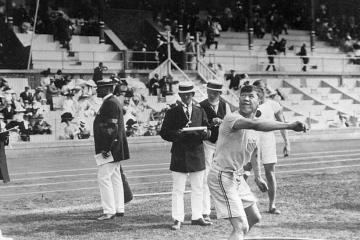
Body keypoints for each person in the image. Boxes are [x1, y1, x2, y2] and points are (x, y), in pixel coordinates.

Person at [207, 85, 306, 240]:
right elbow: (256, 125)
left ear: (259, 101)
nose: (246, 98)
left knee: (254, 218)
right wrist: (290, 125)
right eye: (243, 95)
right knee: (241, 226)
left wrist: (258, 176)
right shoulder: (232, 118)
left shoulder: (255, 123)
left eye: (251, 96)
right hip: (222, 176)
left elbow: (255, 150)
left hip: (237, 178)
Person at [160, 82, 212, 230]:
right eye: (183, 95)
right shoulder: (172, 112)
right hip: (179, 154)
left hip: (196, 153)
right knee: (178, 189)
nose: (186, 97)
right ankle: (177, 218)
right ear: (180, 95)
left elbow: (208, 129)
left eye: (188, 94)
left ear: (193, 95)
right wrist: (176, 134)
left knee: (198, 188)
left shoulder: (200, 111)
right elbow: (164, 132)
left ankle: (197, 216)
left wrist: (206, 133)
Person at [93, 79, 130, 221]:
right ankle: (119, 208)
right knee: (115, 177)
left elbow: (111, 128)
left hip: (109, 148)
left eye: (99, 88)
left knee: (103, 177)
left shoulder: (110, 103)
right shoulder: (112, 101)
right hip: (115, 147)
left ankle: (109, 210)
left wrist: (106, 148)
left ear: (107, 89)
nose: (97, 90)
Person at [253, 80, 290, 214]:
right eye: (257, 90)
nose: (260, 92)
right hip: (252, 140)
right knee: (244, 172)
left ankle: (272, 205)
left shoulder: (273, 105)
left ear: (265, 90)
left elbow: (283, 123)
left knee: (270, 172)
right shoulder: (250, 105)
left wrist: (287, 142)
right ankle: (240, 203)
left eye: (261, 89)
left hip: (268, 140)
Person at [199, 80, 231, 222]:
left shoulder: (225, 105)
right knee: (206, 176)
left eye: (215, 93)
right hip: (207, 143)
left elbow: (231, 124)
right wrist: (209, 125)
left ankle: (222, 209)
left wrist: (222, 121)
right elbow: (199, 126)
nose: (211, 95)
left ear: (219, 93)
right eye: (209, 92)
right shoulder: (201, 106)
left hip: (222, 144)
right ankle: (205, 211)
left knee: (222, 176)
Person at [0, 113, 10, 183]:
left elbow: (5, 136)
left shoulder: (3, 125)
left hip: (0, 143)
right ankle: (5, 178)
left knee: (2, 161)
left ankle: (5, 178)